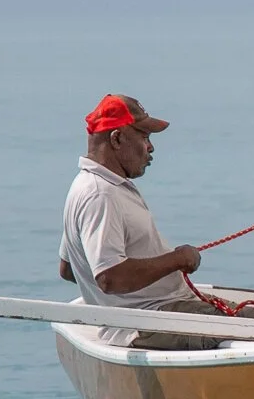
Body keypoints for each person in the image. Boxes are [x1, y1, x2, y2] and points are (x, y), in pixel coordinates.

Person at [59, 94, 216, 348]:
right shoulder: (101, 194)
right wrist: (178, 259)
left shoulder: (90, 186)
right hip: (148, 322)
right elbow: (109, 278)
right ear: (117, 138)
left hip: (156, 311)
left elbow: (69, 269)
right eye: (144, 137)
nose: (151, 147)